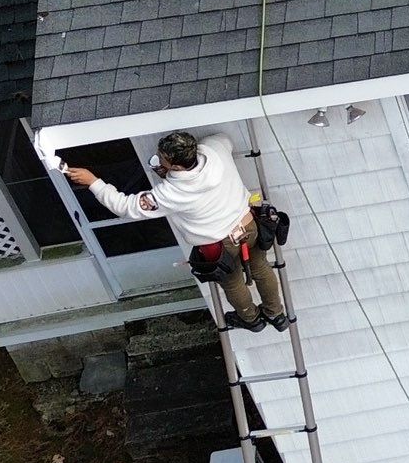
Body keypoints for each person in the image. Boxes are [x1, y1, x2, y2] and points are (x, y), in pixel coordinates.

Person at [63, 131, 291, 331]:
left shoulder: (170, 193)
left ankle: (251, 320)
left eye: (163, 158)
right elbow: (224, 140)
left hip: (220, 244)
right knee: (261, 267)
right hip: (248, 225)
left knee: (232, 282)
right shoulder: (214, 149)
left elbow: (125, 207)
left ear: (175, 165)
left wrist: (94, 181)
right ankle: (276, 314)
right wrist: (173, 172)